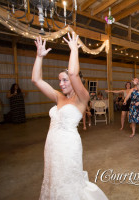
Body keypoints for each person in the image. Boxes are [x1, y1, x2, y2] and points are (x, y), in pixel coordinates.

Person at [32, 34, 108, 199]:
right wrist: (39, 57)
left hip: (69, 147)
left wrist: (74, 49)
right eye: (60, 81)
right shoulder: (59, 97)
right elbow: (36, 80)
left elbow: (73, 73)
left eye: (65, 80)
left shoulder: (82, 98)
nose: (61, 84)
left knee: (68, 182)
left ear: (75, 81)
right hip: (51, 146)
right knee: (53, 178)